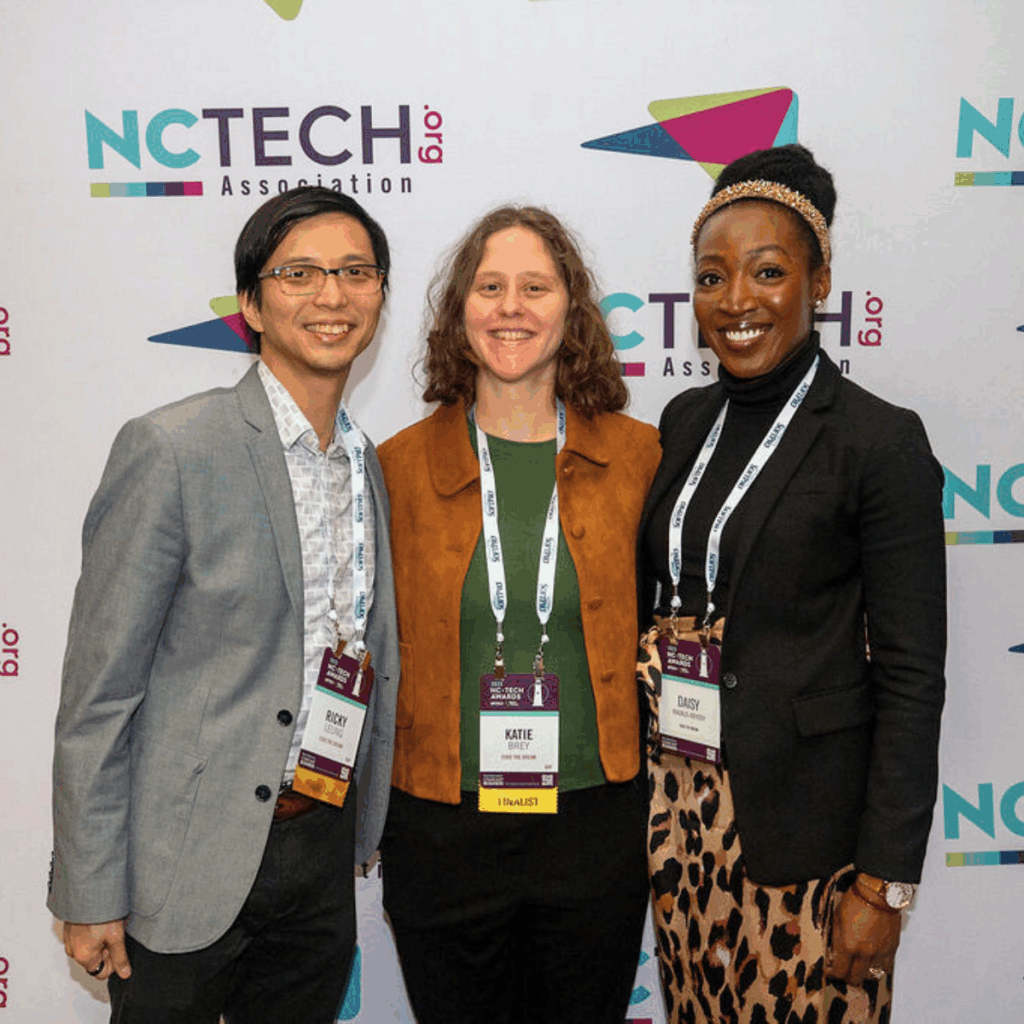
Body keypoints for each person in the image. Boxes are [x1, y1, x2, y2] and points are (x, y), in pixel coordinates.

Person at [48, 186, 400, 1024]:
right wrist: (91, 887)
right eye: (300, 273)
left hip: (317, 849)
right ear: (251, 302)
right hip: (184, 863)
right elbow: (99, 694)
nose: (332, 296)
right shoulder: (172, 448)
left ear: (380, 295)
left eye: (356, 272)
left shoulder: (368, 464)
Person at [637, 145, 946, 1023]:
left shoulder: (877, 443)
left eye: (767, 272)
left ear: (819, 283)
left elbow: (914, 678)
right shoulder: (683, 420)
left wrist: (884, 886)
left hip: (812, 842)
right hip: (681, 815)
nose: (736, 301)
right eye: (712, 275)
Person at [377, 206, 661, 1023]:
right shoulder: (396, 466)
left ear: (571, 309)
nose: (511, 307)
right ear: (457, 311)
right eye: (490, 286)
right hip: (442, 830)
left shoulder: (640, 457)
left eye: (535, 287)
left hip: (595, 826)